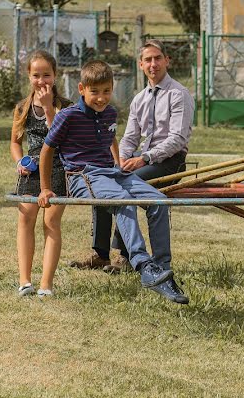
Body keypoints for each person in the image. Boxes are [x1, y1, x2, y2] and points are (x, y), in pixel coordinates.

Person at [37, 60, 189, 304]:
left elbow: (111, 137)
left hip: (111, 172)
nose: (101, 98)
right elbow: (47, 150)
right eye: (94, 92)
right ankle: (143, 264)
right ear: (81, 89)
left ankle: (162, 269)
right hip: (82, 175)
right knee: (123, 201)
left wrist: (118, 163)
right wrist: (45, 188)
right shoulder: (68, 116)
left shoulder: (109, 113)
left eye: (106, 91)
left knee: (159, 200)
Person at [71, 40, 194, 279]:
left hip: (170, 160)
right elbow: (128, 138)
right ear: (140, 64)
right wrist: (121, 159)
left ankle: (126, 256)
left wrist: (144, 158)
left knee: (122, 184)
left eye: (158, 58)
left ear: (167, 61)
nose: (153, 64)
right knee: (104, 180)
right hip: (143, 159)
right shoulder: (139, 99)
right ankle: (101, 254)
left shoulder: (179, 94)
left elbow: (177, 139)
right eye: (147, 59)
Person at [9, 50, 70, 298]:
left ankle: (46, 284)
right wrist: (18, 162)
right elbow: (15, 142)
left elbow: (62, 137)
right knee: (26, 218)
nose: (42, 80)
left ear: (55, 76)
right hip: (31, 167)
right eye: (36, 75)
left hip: (58, 166)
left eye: (47, 75)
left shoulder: (66, 107)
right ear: (29, 76)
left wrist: (48, 109)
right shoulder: (22, 108)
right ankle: (25, 280)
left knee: (50, 221)